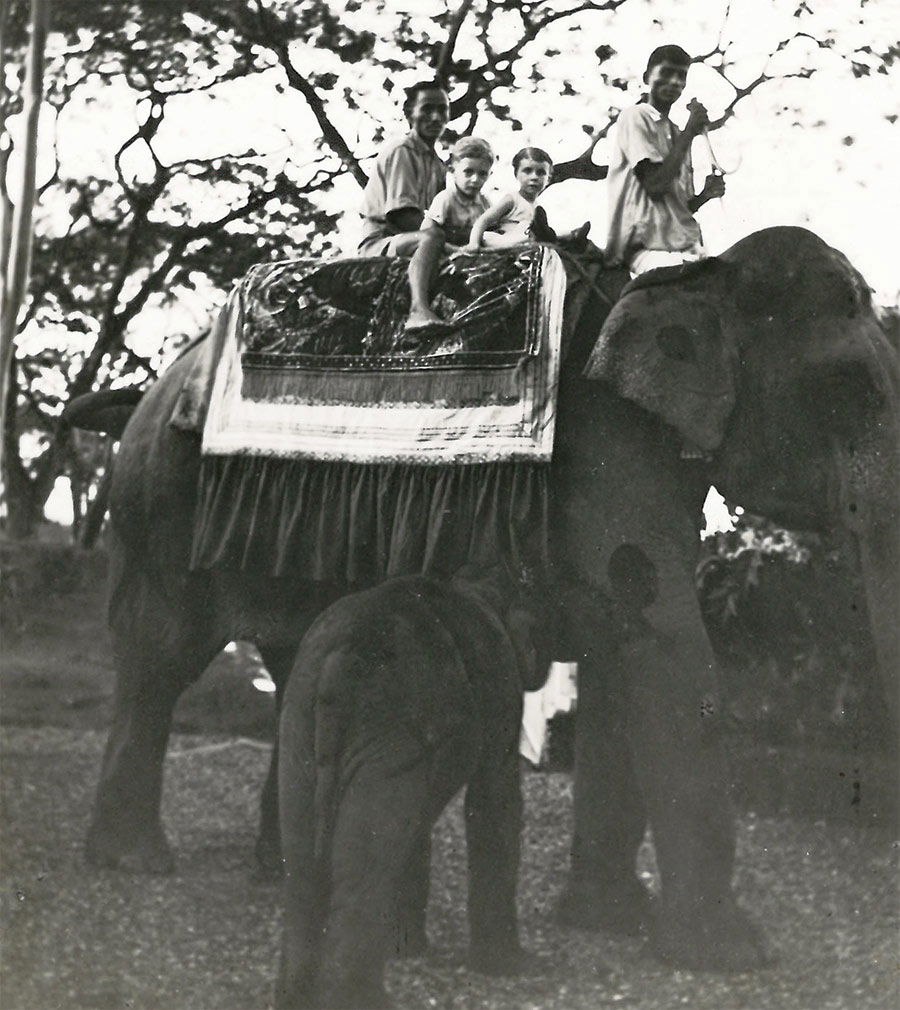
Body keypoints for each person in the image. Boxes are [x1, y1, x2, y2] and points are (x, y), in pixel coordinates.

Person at [605, 44, 725, 276]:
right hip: (645, 251)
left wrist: (704, 196)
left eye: (681, 76)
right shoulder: (636, 116)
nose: (674, 82)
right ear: (647, 77)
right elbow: (655, 186)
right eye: (666, 72)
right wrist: (690, 132)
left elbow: (676, 207)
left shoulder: (678, 135)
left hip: (685, 247)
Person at [404, 136, 494, 333]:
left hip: (469, 253)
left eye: (482, 174)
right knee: (434, 238)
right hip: (441, 249)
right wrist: (455, 249)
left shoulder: (485, 203)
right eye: (468, 172)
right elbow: (427, 233)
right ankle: (418, 308)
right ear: (453, 170)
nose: (475, 180)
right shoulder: (445, 198)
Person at [357, 81, 450, 257]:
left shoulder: (439, 165)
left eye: (442, 109)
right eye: (427, 109)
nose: (436, 117)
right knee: (435, 238)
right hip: (383, 243)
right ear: (410, 113)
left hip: (418, 239)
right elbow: (403, 217)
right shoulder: (402, 150)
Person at [468, 147, 590, 250]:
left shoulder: (536, 206)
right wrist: (473, 243)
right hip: (502, 239)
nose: (534, 177)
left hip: (526, 243)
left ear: (548, 178)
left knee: (543, 235)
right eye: (527, 171)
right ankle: (537, 236)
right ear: (516, 174)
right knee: (528, 231)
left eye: (541, 173)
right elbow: (483, 220)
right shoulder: (512, 199)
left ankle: (572, 234)